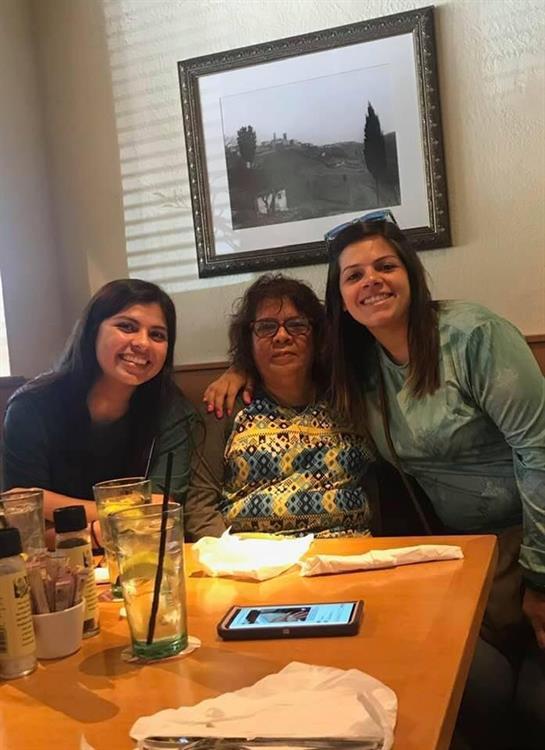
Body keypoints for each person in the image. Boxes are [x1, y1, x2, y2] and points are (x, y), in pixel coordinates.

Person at [204, 212, 545, 749]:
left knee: (518, 702)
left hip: (519, 542)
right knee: (485, 690)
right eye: (354, 274)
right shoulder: (354, 364)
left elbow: (539, 452)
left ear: (410, 273)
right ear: (342, 299)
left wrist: (540, 579)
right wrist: (244, 367)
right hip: (451, 555)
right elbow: (289, 360)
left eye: (385, 266)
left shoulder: (466, 339)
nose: (372, 281)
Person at [2, 278, 196, 541]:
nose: (143, 343)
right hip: (53, 562)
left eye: (157, 335)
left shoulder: (172, 411)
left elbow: (162, 509)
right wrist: (115, 521)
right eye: (127, 327)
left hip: (139, 553)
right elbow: (23, 521)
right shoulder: (31, 407)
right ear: (93, 330)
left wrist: (52, 506)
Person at [186, 274, 374, 540]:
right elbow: (200, 508)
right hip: (253, 557)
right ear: (249, 341)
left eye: (297, 325)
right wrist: (230, 557)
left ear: (317, 336)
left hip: (348, 551)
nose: (282, 336)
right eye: (266, 327)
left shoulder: (347, 397)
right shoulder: (226, 405)